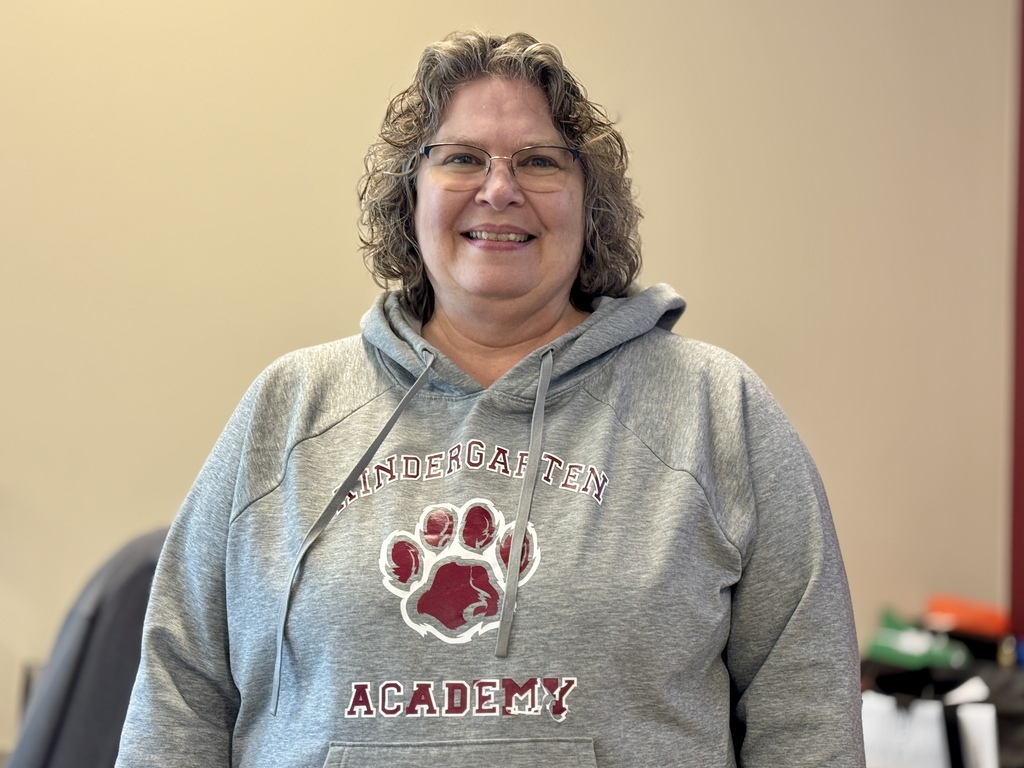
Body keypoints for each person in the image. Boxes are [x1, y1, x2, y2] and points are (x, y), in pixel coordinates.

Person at [116, 30, 865, 767]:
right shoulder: (289, 408)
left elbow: (808, 716)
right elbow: (177, 702)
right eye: (462, 159)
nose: (499, 190)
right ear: (409, 196)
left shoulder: (715, 409)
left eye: (538, 161)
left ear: (591, 205)